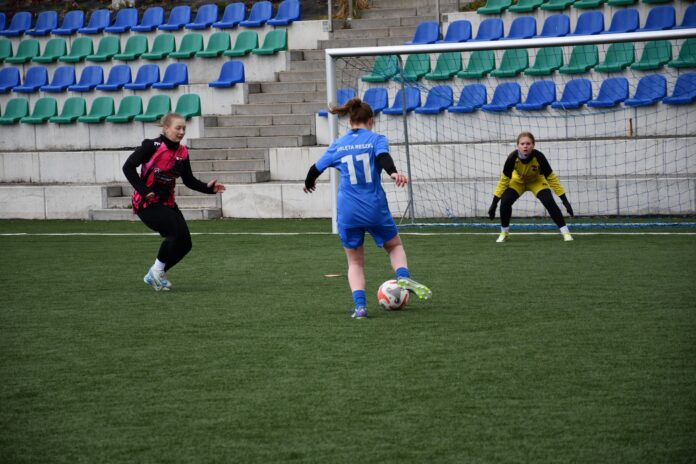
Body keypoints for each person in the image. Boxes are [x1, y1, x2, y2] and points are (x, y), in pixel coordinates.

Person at [303, 98, 431, 319]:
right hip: (374, 207)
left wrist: (309, 183)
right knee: (394, 246)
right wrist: (393, 173)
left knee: (355, 262)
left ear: (350, 121)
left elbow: (315, 169)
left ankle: (360, 307)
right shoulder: (376, 139)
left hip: (348, 210)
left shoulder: (338, 144)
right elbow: (383, 157)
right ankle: (402, 276)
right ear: (371, 120)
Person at [122, 112, 226, 291]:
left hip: (167, 203)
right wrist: (144, 191)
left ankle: (156, 273)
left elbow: (189, 180)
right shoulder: (152, 146)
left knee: (185, 244)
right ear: (166, 128)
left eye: (184, 128)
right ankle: (156, 272)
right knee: (174, 233)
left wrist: (208, 188)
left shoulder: (183, 152)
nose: (182, 132)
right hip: (146, 204)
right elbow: (128, 167)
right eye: (178, 128)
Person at [488, 132, 574, 243]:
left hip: (536, 181)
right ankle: (504, 233)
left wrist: (565, 201)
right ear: (518, 145)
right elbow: (503, 182)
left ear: (533, 145)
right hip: (518, 182)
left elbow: (552, 179)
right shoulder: (512, 158)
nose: (525, 146)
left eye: (528, 144)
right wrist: (494, 203)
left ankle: (565, 232)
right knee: (505, 201)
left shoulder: (539, 157)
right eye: (522, 144)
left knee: (549, 201)